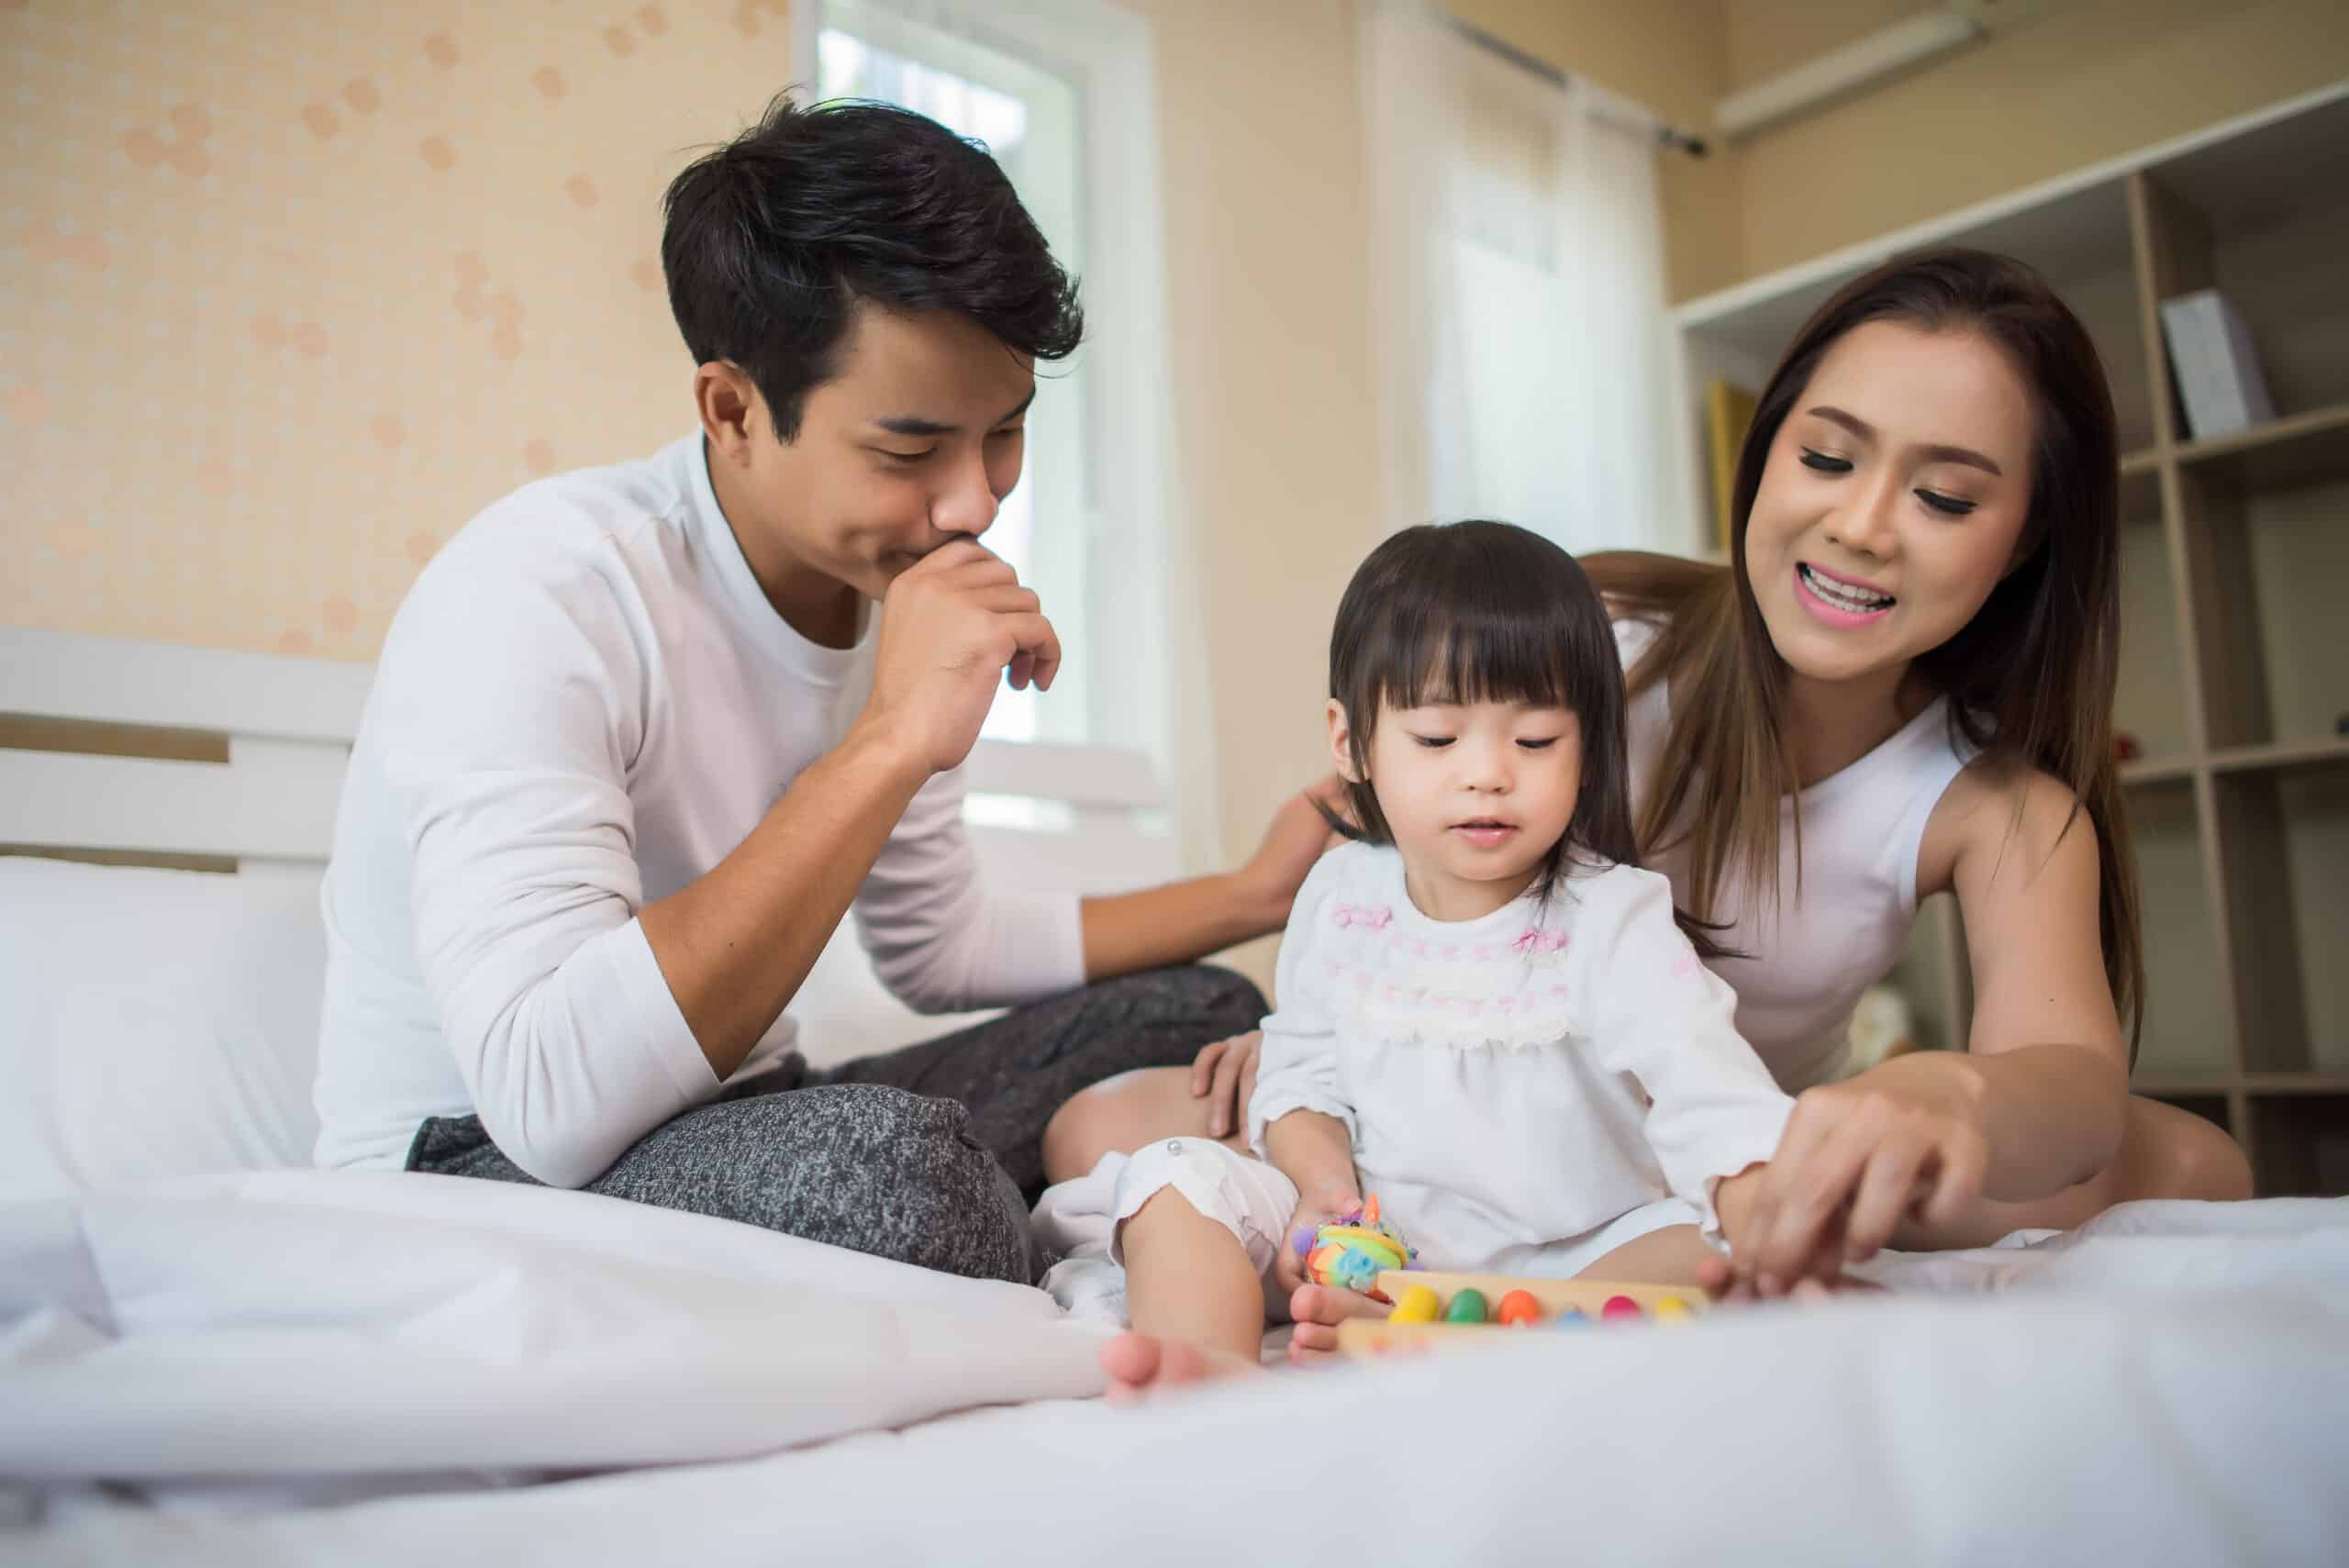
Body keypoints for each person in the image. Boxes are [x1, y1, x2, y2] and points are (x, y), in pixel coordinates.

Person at [1049, 249, 2251, 1321]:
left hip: (1723, 1145)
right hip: (1471, 1102)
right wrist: (1324, 1035)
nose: (1865, 525)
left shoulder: (1999, 805)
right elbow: (1379, 802)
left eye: (1944, 496)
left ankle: (1535, 1273)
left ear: (2027, 536)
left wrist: (1947, 1097)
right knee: (1101, 1126)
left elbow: (2074, 1080)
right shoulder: (1600, 628)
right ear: (1765, 452)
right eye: (1826, 456)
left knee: (2197, 1170)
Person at [309, 94, 1334, 1284]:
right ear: (734, 410)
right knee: (906, 1177)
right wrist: (893, 737)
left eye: (1005, 433)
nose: (974, 502)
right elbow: (549, 1098)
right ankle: (1074, 1204)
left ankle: (1064, 1200)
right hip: (474, 1171)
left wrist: (1254, 891)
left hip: (746, 1117)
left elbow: (936, 944)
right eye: (909, 454)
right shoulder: (540, 592)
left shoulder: (883, 574)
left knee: (1201, 1017)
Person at [1040, 521, 1846, 1393]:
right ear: (1350, 743)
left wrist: (1763, 1200)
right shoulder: (1344, 891)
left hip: (1568, 1251)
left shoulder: (1612, 916)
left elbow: (1709, 1095)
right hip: (1375, 1233)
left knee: (1707, 1244)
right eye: (1437, 740)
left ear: (1588, 747)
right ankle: (1210, 1378)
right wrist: (1323, 1191)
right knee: (1173, 1176)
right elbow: (1302, 1074)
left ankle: (1481, 1330)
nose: (1488, 774)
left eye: (1534, 741)